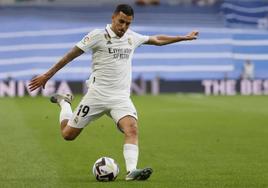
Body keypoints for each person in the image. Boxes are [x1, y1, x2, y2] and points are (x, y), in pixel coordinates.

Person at [28, 4, 198, 181]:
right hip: (96, 96)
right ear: (113, 18)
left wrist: (183, 37)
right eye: (121, 22)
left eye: (128, 24)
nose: (123, 27)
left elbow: (156, 39)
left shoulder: (132, 37)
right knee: (68, 135)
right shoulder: (97, 36)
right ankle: (64, 102)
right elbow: (71, 55)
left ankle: (131, 171)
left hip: (120, 98)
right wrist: (48, 75)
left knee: (132, 128)